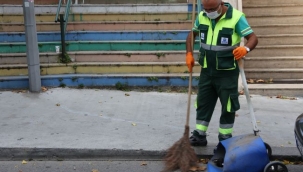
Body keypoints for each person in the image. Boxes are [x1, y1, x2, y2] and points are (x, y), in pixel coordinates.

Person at [185, 0, 258, 146]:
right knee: (203, 102)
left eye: (211, 9)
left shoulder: (236, 17)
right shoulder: (202, 16)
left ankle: (225, 138)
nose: (208, 12)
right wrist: (189, 53)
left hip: (227, 72)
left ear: (220, 5)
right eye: (206, 9)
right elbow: (191, 36)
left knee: (228, 105)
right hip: (207, 70)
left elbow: (253, 38)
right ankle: (199, 134)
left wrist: (245, 49)